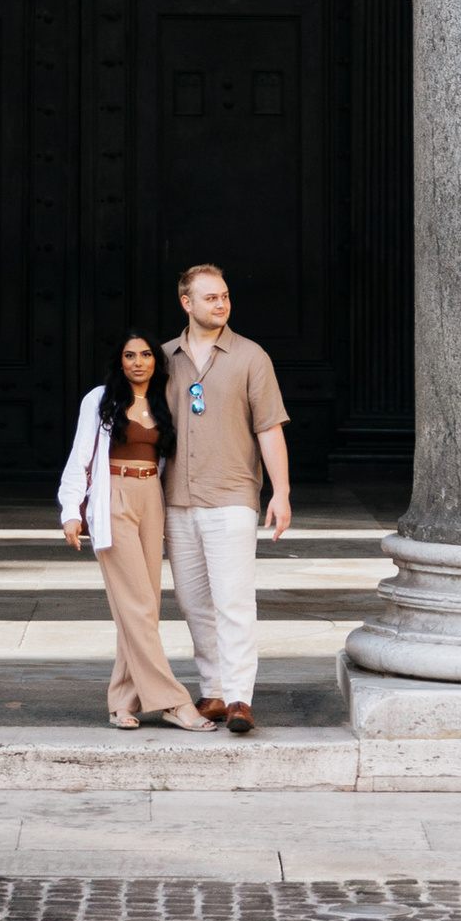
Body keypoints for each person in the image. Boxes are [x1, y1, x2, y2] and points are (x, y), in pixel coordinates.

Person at [161, 259, 290, 734]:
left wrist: (282, 492)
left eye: (225, 296)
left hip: (232, 495)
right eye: (211, 297)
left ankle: (239, 697)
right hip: (176, 498)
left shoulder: (250, 356)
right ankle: (213, 691)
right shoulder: (164, 357)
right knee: (194, 602)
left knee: (234, 601)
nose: (221, 304)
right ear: (186, 302)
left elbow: (269, 427)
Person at [57, 330, 209, 729]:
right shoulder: (100, 399)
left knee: (142, 608)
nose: (137, 362)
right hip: (114, 497)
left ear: (156, 362)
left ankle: (122, 702)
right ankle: (173, 701)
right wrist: (71, 509)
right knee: (138, 606)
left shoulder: (165, 402)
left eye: (145, 355)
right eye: (129, 355)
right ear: (119, 362)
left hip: (151, 499)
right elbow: (80, 456)